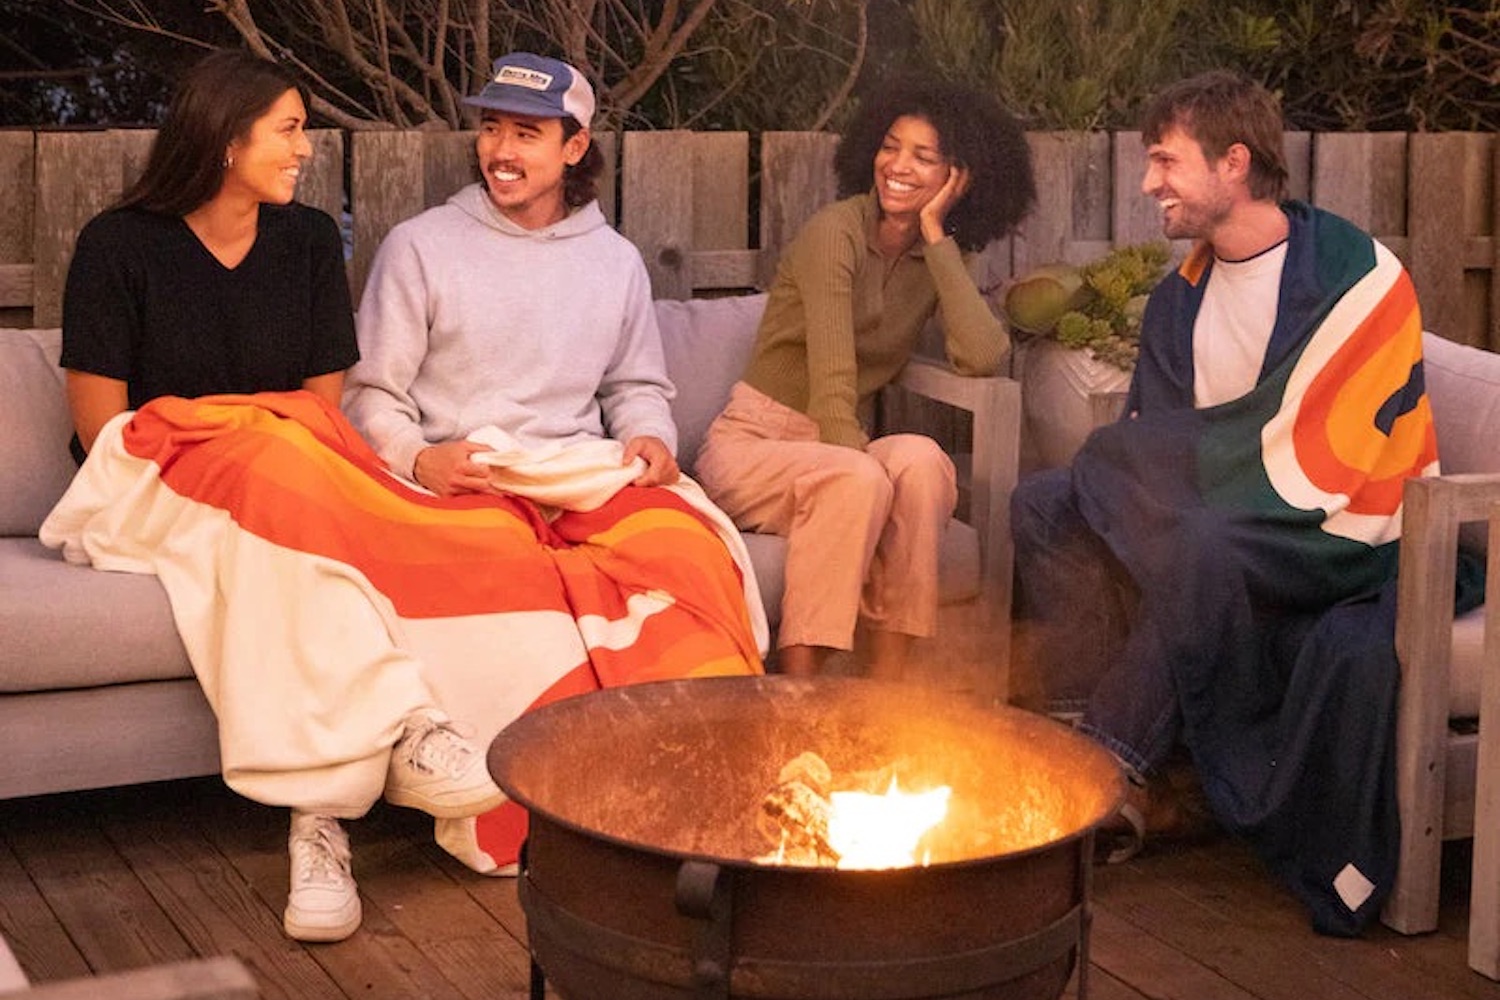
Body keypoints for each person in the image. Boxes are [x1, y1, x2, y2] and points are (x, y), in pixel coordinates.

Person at [51, 49, 507, 944]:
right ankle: (409, 728)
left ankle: (318, 822)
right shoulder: (118, 245)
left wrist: (258, 439)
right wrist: (242, 434)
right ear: (226, 138)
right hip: (140, 485)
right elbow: (106, 430)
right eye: (289, 129)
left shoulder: (303, 243)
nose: (307, 149)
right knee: (275, 476)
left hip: (270, 489)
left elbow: (318, 418)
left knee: (280, 521)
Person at [1009, 71, 1444, 936]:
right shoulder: (1183, 297)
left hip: (1344, 527)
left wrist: (1189, 483)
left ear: (1234, 163)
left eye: (1165, 160)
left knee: (1192, 542)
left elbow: (1343, 449)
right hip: (1223, 512)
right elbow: (1165, 440)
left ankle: (1102, 765)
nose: (1148, 183)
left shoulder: (1355, 277)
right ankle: (1093, 728)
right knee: (1045, 503)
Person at [691, 74, 1035, 680]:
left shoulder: (936, 255)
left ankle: (889, 686)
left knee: (923, 463)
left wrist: (935, 237)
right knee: (858, 474)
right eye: (890, 146)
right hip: (754, 447)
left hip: (831, 454)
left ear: (961, 177)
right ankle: (801, 692)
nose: (896, 165)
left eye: (924, 157)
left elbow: (983, 355)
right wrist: (869, 474)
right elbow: (831, 378)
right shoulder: (835, 232)